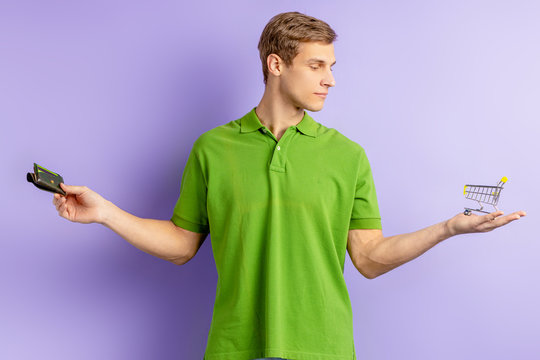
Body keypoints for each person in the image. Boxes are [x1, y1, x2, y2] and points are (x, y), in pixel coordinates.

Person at [52, 11, 526, 360]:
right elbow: (181, 245)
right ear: (276, 65)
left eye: (332, 66)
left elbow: (368, 258)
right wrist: (105, 213)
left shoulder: (347, 155)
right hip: (235, 347)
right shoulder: (212, 149)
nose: (331, 80)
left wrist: (449, 228)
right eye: (317, 66)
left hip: (324, 348)